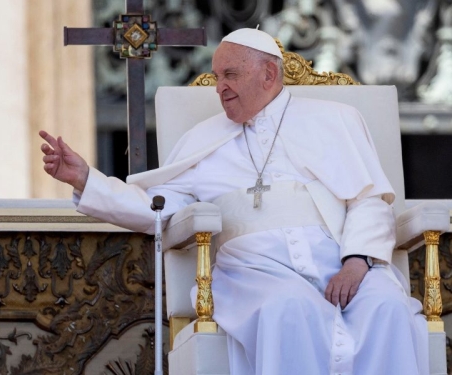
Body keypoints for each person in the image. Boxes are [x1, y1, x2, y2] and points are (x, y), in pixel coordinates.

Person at [39, 28, 429, 375]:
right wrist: (87, 179)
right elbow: (155, 207)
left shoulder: (335, 119)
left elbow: (369, 199)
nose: (219, 86)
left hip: (339, 261)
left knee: (387, 308)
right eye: (217, 76)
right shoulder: (202, 140)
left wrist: (357, 261)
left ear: (268, 74)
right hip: (254, 273)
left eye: (230, 74)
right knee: (289, 309)